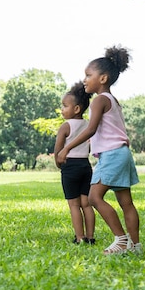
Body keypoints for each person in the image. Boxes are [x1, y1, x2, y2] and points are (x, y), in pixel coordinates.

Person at [56, 46, 141, 255]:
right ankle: (135, 246)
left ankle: (121, 240)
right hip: (122, 153)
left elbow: (91, 129)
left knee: (94, 198)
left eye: (88, 75)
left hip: (112, 155)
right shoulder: (112, 100)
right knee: (126, 202)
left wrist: (66, 148)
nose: (84, 79)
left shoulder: (99, 100)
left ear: (102, 78)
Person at [54, 81, 96, 245]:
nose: (62, 109)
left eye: (64, 106)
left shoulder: (65, 126)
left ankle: (80, 237)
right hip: (85, 166)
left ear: (76, 109)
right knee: (86, 203)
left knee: (74, 204)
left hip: (70, 166)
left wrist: (60, 165)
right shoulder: (88, 125)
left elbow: (58, 151)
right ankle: (91, 237)